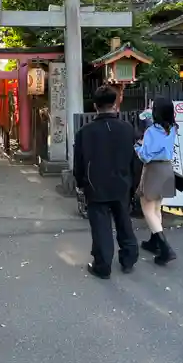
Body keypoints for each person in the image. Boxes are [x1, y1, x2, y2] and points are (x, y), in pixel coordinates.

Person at [73, 85, 139, 279]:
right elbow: (134, 159)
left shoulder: (85, 132)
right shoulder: (127, 129)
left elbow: (79, 161)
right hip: (122, 184)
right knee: (124, 222)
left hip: (95, 185)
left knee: (101, 227)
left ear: (95, 106)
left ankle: (102, 266)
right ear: (115, 103)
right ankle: (128, 259)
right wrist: (132, 184)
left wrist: (80, 182)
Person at [135, 96, 177, 265]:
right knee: (157, 207)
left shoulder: (152, 131)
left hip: (154, 169)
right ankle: (154, 242)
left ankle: (165, 249)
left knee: (147, 208)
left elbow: (145, 156)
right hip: (167, 169)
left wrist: (137, 146)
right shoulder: (173, 128)